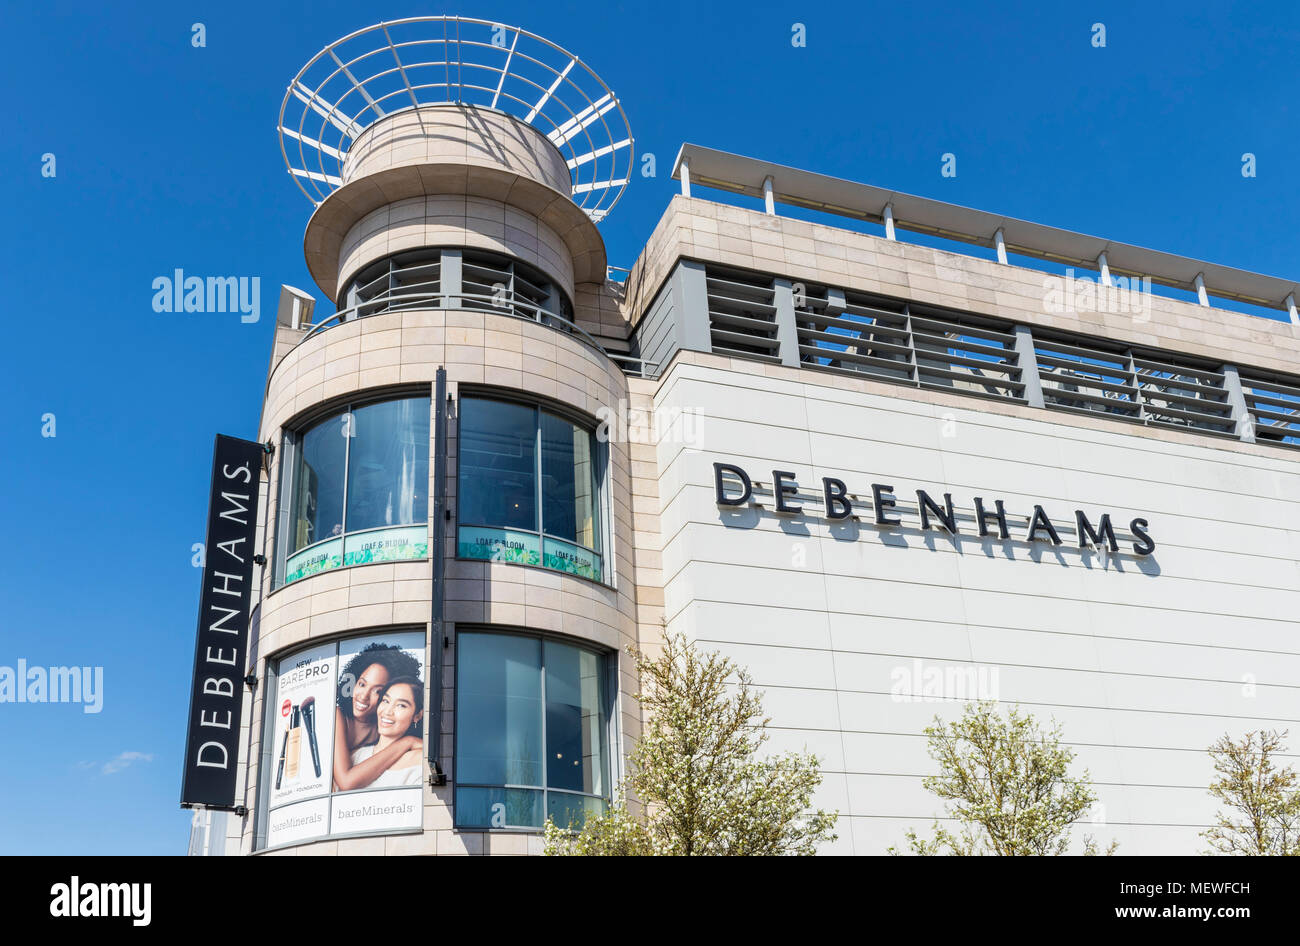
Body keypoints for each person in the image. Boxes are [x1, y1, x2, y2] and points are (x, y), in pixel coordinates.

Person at [332, 644, 421, 791]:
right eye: (362, 684)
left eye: (377, 691)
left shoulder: (382, 731)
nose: (363, 696)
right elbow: (347, 782)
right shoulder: (337, 716)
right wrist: (407, 742)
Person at [348, 677, 424, 788]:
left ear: (417, 716)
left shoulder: (420, 759)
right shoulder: (356, 756)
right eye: (385, 701)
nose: (388, 711)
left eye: (401, 705)